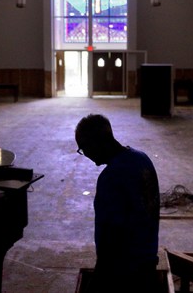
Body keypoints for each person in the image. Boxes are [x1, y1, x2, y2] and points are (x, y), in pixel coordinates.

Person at [74, 114, 160, 293]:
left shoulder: (110, 178)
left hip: (124, 269)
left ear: (96, 142)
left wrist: (100, 277)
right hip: (148, 258)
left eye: (83, 148)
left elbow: (110, 237)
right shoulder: (142, 158)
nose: (85, 154)